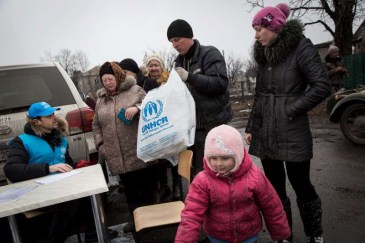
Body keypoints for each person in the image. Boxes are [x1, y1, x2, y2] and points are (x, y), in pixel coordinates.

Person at [245, 3, 331, 243]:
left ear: (274, 26)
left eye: (259, 28)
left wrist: (291, 108)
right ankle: (284, 235)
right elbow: (260, 95)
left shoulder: (301, 47)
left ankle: (315, 234)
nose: (255, 34)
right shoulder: (263, 54)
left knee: (302, 185)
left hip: (292, 129)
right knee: (274, 190)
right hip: (265, 132)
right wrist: (252, 126)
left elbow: (322, 86)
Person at [175, 125, 291, 243]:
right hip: (217, 237)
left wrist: (280, 235)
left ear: (237, 155)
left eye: (225, 158)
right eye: (213, 158)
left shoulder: (254, 176)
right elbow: (192, 215)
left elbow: (271, 206)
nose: (219, 164)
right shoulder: (203, 181)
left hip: (248, 236)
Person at [3, 101, 95, 242]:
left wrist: (78, 165)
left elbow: (65, 164)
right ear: (37, 122)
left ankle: (93, 236)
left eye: (53, 114)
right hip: (36, 192)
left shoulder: (60, 139)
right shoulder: (21, 141)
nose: (54, 117)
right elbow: (11, 170)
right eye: (48, 116)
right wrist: (47, 168)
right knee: (70, 200)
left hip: (60, 188)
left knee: (90, 192)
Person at [92, 61, 159, 233]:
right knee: (129, 191)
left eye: (110, 78)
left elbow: (154, 105)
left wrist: (137, 108)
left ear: (118, 76)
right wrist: (101, 146)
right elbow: (96, 125)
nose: (107, 82)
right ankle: (135, 220)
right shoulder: (100, 100)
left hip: (137, 150)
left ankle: (151, 220)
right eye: (104, 80)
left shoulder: (134, 90)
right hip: (116, 154)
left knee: (144, 187)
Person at [167, 19, 233, 178]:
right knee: (196, 174)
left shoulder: (209, 53)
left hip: (212, 125)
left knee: (216, 172)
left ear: (189, 36)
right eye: (171, 41)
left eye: (177, 39)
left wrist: (190, 77)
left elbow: (220, 84)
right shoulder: (178, 62)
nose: (174, 45)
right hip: (190, 130)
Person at [144, 54, 181, 201]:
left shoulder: (170, 80)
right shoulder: (146, 83)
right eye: (151, 65)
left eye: (156, 65)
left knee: (175, 156)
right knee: (160, 158)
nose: (154, 68)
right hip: (156, 126)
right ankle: (165, 187)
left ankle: (177, 186)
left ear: (161, 66)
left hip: (171, 123)